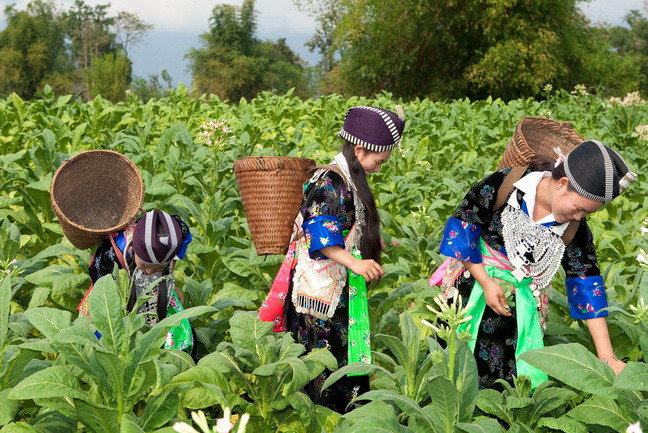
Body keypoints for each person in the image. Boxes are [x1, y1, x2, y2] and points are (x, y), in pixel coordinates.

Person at [436, 140, 636, 389]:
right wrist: (486, 282)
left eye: (586, 214)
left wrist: (608, 358)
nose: (578, 217)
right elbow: (463, 226)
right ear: (562, 184)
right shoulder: (506, 185)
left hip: (517, 316)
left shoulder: (574, 227)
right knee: (453, 370)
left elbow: (585, 282)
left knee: (508, 385)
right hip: (469, 294)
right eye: (578, 209)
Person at [259, 106, 406, 412]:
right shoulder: (330, 181)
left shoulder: (350, 179)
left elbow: (347, 227)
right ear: (360, 149)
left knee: (340, 362)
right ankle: (323, 418)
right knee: (321, 366)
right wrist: (356, 262)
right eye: (378, 161)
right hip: (319, 297)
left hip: (335, 291)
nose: (379, 167)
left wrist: (378, 241)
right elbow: (319, 232)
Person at [79, 209, 194, 353]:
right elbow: (102, 292)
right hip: (117, 289)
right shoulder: (113, 252)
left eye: (158, 267)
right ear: (134, 251)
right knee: (107, 336)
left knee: (172, 330)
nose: (150, 271)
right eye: (145, 265)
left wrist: (171, 281)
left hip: (156, 286)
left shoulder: (177, 233)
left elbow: (176, 256)